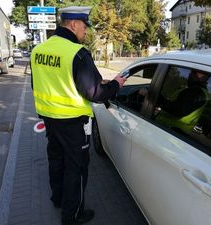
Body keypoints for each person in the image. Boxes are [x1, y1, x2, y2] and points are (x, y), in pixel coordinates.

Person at [30, 6, 126, 225]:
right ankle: (72, 216)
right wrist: (115, 84)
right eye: (84, 27)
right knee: (76, 167)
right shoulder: (76, 52)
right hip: (74, 123)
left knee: (56, 160)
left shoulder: (38, 50)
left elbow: (39, 84)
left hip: (49, 119)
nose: (85, 32)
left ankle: (58, 199)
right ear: (73, 24)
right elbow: (96, 93)